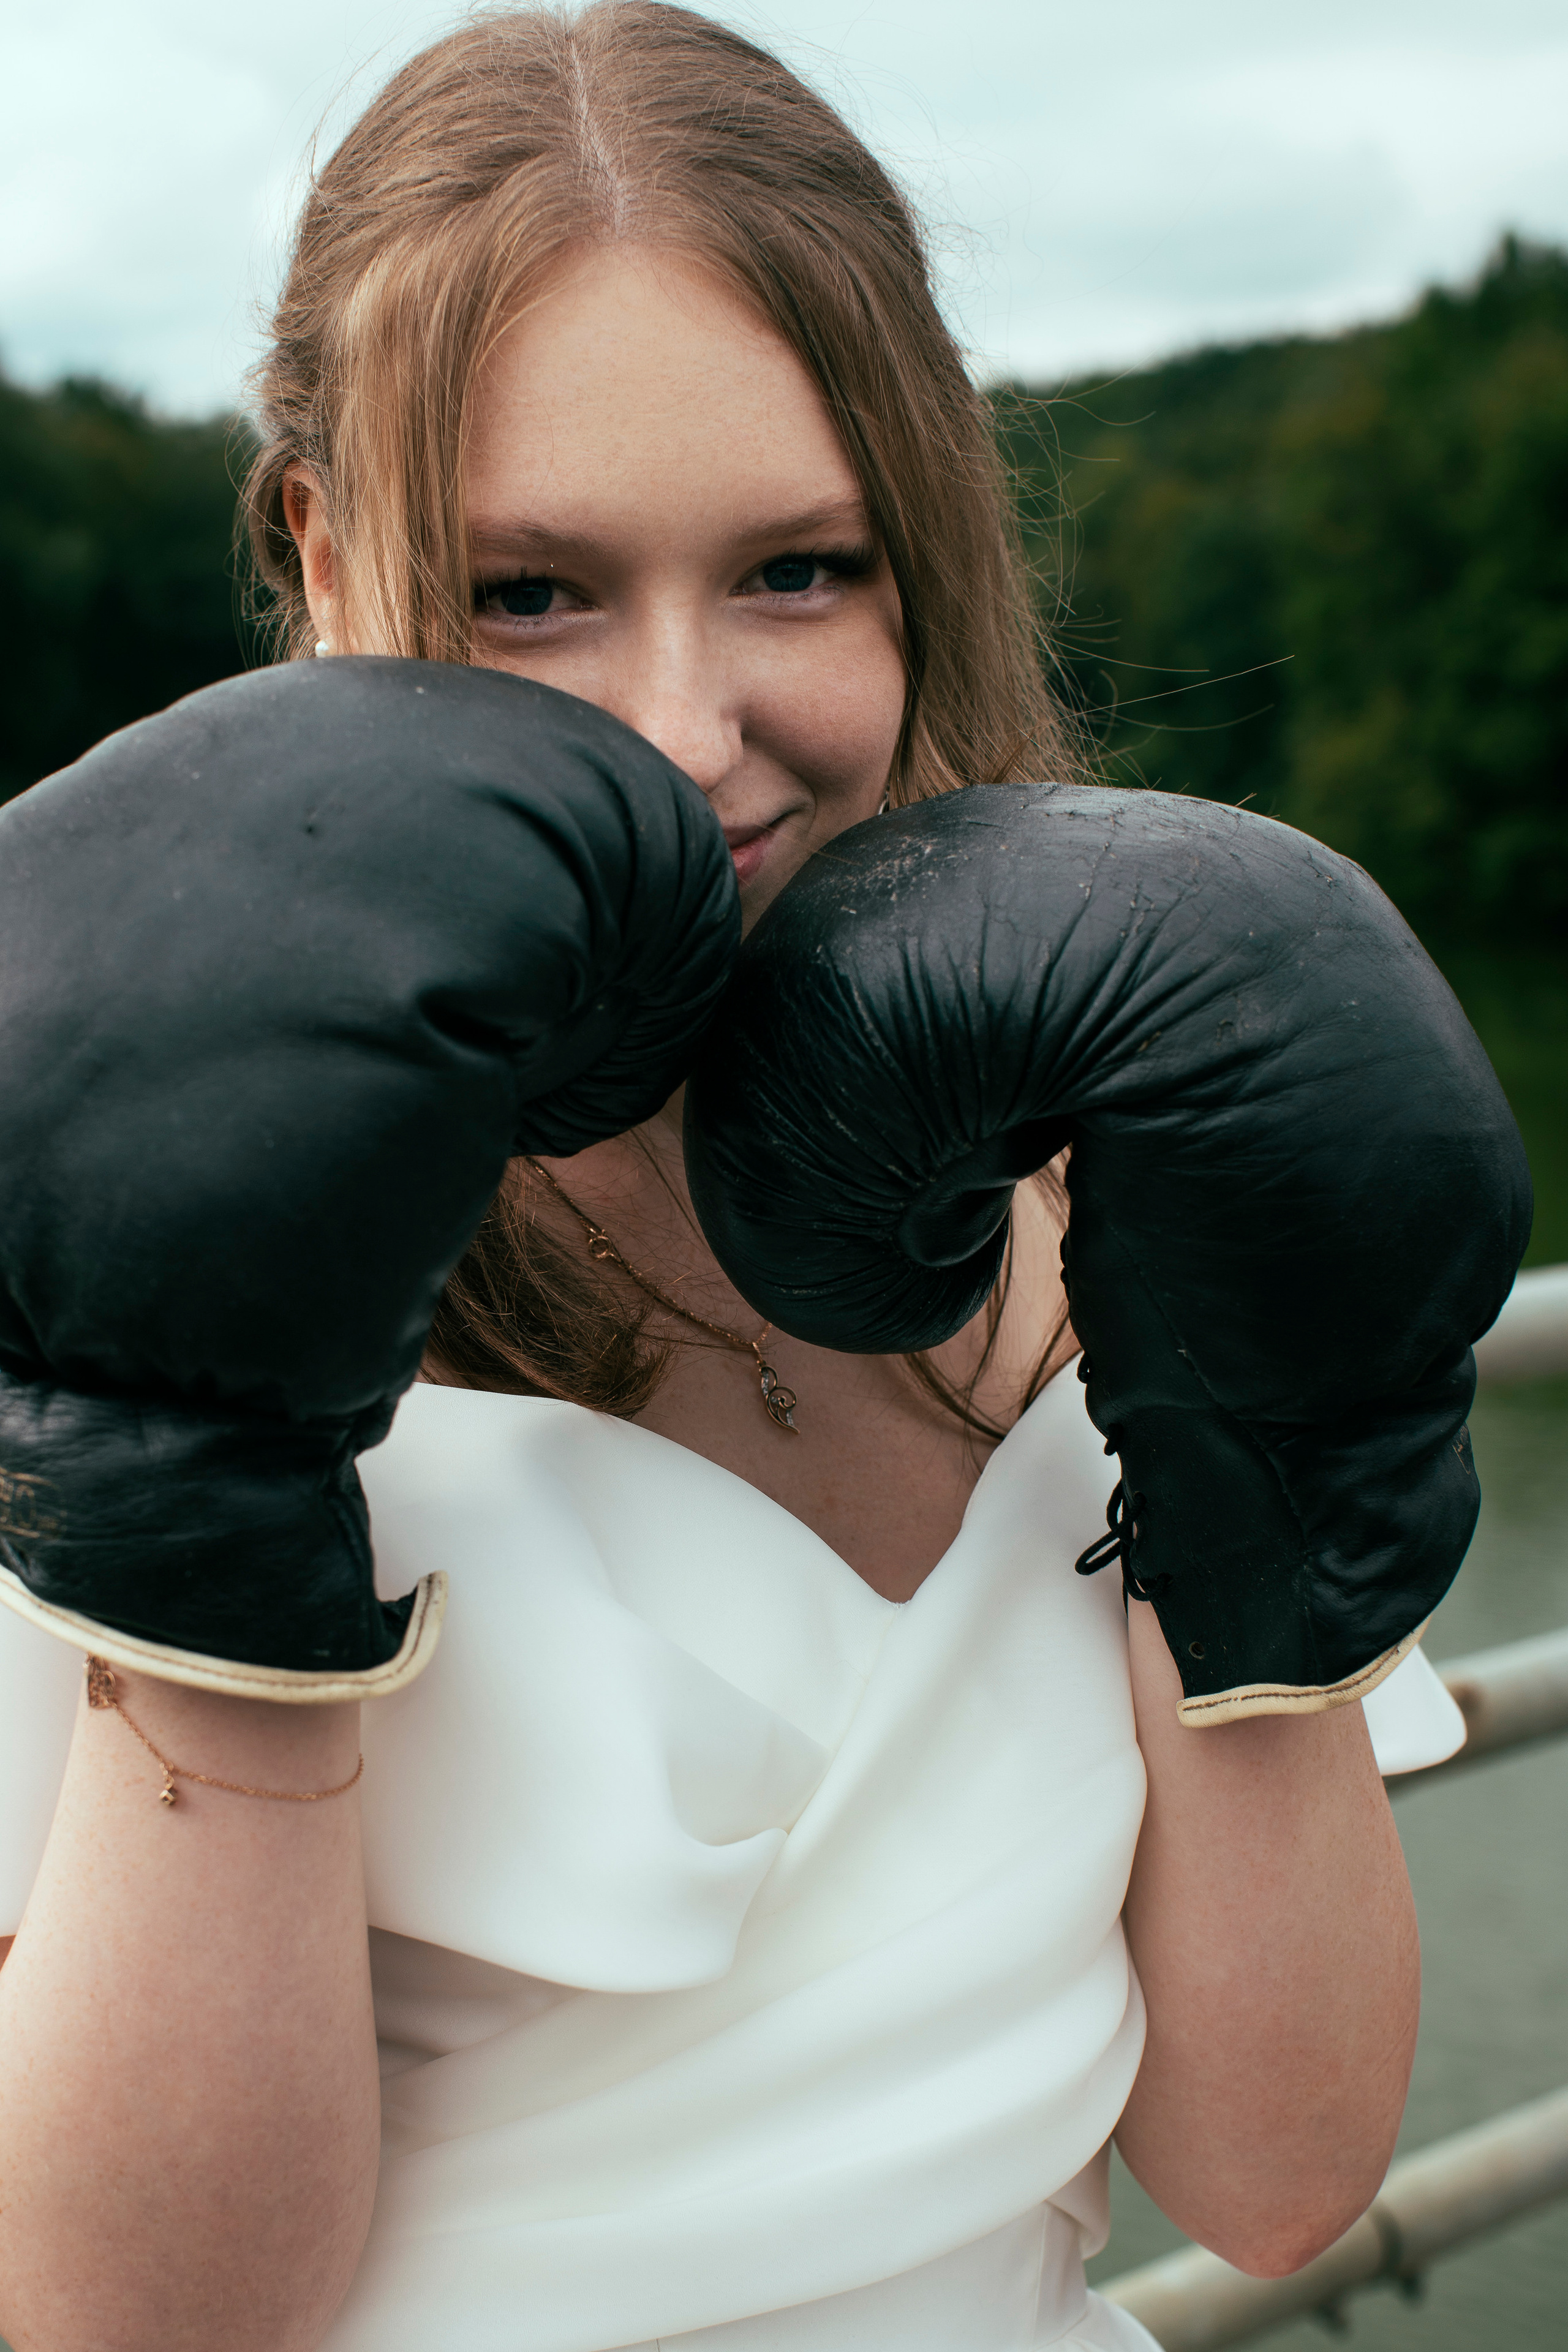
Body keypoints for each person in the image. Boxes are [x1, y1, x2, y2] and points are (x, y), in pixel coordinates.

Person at [0, 7, 1480, 2350]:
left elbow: (1281, 2173)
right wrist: (196, 1499)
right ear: (319, 539)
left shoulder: (1086, 1158)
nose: (690, 730)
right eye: (528, 591)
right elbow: (129, 2322)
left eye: (798, 568)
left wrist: (1286, 1452)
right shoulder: (118, 1180)